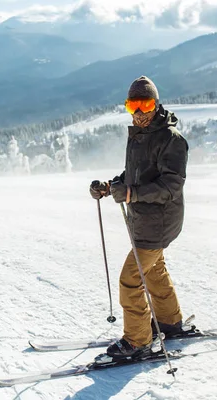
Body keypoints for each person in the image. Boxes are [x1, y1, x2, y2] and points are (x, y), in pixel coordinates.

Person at [89, 76, 189, 359]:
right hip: (145, 219)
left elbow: (172, 185)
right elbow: (134, 176)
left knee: (131, 279)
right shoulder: (139, 136)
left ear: (155, 104)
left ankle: (138, 340)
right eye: (133, 105)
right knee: (153, 270)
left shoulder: (171, 140)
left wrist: (131, 193)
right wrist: (111, 187)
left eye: (145, 104)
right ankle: (170, 322)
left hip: (159, 221)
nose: (139, 112)